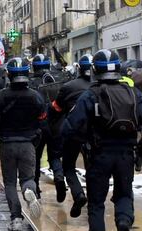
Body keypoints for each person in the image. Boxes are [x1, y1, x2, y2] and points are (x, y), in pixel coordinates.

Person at [62, 49, 142, 231]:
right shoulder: (133, 92)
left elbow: (70, 126)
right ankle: (123, 221)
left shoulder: (91, 94)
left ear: (95, 70)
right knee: (124, 194)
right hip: (126, 155)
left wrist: (76, 142)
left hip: (99, 155)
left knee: (97, 204)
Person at [0, 57, 44, 230]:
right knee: (28, 178)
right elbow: (43, 117)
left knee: (9, 182)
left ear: (8, 74)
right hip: (28, 143)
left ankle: (16, 219)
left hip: (7, 143)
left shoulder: (1, 96)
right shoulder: (35, 96)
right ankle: (28, 191)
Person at [51, 54, 93, 217]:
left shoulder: (69, 86)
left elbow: (57, 107)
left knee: (69, 166)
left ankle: (78, 194)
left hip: (74, 132)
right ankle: (93, 201)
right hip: (94, 135)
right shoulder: (99, 86)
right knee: (93, 168)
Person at [29, 54, 66, 201]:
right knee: (55, 156)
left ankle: (36, 188)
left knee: (36, 158)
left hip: (38, 126)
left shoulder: (31, 83)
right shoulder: (58, 79)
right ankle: (58, 177)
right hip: (56, 125)